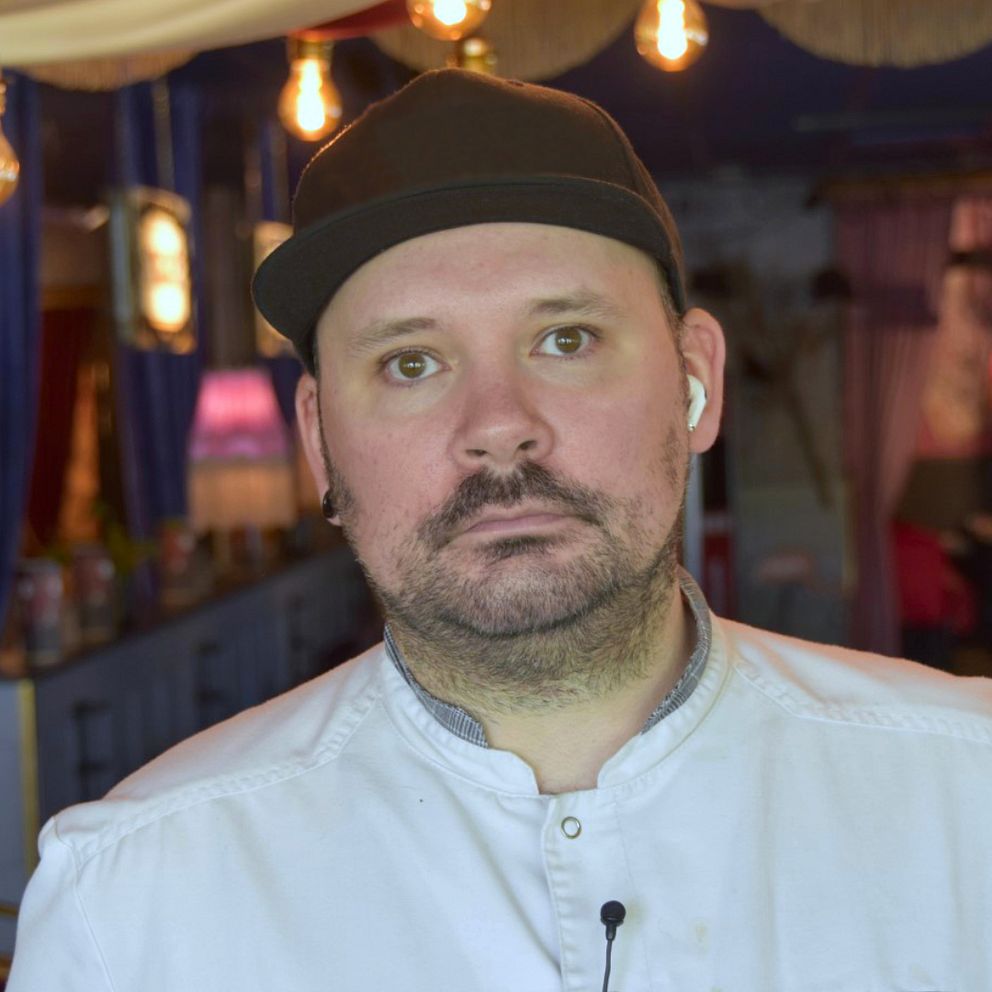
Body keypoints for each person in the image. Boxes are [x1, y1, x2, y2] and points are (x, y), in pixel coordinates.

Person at [8, 69, 992, 992]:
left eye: (565, 339)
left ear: (695, 380)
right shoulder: (133, 898)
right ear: (318, 439)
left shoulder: (964, 793)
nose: (497, 425)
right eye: (409, 362)